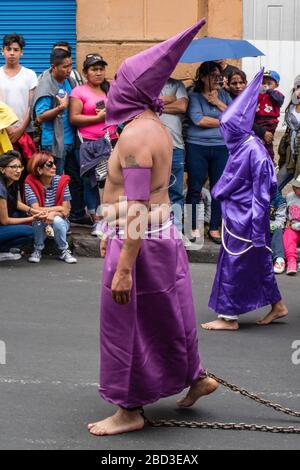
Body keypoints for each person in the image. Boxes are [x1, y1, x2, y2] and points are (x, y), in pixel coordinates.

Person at [87, 18, 219, 437]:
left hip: (138, 241)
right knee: (169, 314)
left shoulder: (136, 138)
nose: (113, 88)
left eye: (120, 83)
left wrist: (124, 267)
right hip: (161, 239)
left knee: (126, 325)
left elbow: (139, 206)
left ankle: (129, 410)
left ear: (131, 91)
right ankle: (195, 378)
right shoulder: (155, 128)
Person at [201, 69, 288, 331]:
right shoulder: (242, 145)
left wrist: (258, 227)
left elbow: (263, 194)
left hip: (246, 219)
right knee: (257, 262)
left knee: (234, 263)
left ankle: (228, 317)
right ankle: (277, 305)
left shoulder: (254, 152)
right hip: (238, 215)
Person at [69, 54, 117, 234]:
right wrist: (97, 117)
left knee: (113, 180)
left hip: (111, 141)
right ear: (85, 72)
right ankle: (97, 221)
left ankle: (111, 219)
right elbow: (74, 118)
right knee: (91, 182)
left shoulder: (110, 89)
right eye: (94, 69)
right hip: (88, 143)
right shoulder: (78, 92)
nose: (98, 73)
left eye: (101, 69)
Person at [185, 61, 231, 244]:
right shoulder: (194, 96)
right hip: (197, 146)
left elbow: (235, 117)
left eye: (218, 75)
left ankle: (214, 227)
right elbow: (199, 120)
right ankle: (192, 226)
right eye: (212, 75)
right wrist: (223, 121)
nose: (216, 78)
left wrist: (217, 103)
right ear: (203, 77)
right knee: (195, 188)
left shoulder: (225, 96)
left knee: (219, 189)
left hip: (221, 147)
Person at [25, 151, 77, 264]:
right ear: (39, 169)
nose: (54, 167)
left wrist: (53, 214)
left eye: (54, 164)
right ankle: (38, 249)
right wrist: (58, 207)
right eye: (49, 164)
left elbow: (66, 210)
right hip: (38, 219)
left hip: (61, 220)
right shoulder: (29, 182)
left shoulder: (62, 181)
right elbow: (35, 209)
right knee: (38, 220)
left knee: (57, 221)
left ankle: (64, 250)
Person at [0, 150, 45, 261]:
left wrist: (33, 211)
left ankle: (3, 250)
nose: (18, 170)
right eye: (13, 167)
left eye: (20, 166)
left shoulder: (11, 182)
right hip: (2, 222)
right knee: (31, 232)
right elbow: (5, 220)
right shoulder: (0, 187)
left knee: (19, 212)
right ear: (2, 169)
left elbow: (14, 203)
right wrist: (33, 218)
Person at [159, 78, 188, 236]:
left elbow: (182, 106)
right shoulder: (148, 84)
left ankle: (176, 231)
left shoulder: (177, 85)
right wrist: (170, 99)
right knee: (154, 190)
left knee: (175, 191)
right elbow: (145, 105)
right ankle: (157, 229)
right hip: (152, 147)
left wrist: (157, 105)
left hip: (175, 146)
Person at [0, 33, 38, 144]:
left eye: (16, 50)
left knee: (26, 161)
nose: (12, 53)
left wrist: (20, 129)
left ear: (21, 52)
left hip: (25, 131)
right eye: (8, 49)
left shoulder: (30, 75)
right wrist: (7, 127)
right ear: (2, 51)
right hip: (2, 130)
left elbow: (31, 106)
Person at [228, 69, 274, 146]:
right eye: (234, 83)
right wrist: (262, 132)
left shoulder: (252, 97)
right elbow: (241, 120)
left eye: (241, 83)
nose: (238, 86)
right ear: (228, 84)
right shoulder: (227, 99)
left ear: (246, 83)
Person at [255, 70, 285, 161]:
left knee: (266, 140)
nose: (265, 85)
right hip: (258, 119)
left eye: (269, 83)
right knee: (257, 140)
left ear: (276, 85)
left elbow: (279, 101)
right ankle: (260, 158)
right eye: (263, 83)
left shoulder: (277, 94)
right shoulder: (259, 94)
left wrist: (269, 91)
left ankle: (270, 159)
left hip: (270, 121)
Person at [277, 75, 300, 192]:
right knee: (273, 186)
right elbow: (288, 133)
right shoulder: (291, 108)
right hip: (291, 157)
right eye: (298, 87)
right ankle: (280, 208)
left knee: (298, 190)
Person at [283, 175, 300, 275]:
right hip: (293, 227)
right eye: (295, 187)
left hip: (296, 226)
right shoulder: (290, 196)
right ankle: (291, 261)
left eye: (297, 188)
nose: (295, 189)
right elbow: (286, 211)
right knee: (288, 235)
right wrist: (287, 221)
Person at [270, 191, 287, 274]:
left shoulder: (279, 200)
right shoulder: (254, 196)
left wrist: (273, 226)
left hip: (273, 227)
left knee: (279, 230)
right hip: (258, 227)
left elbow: (281, 219)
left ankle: (279, 258)